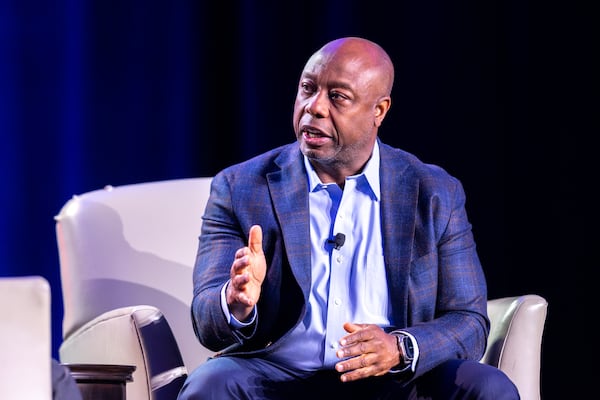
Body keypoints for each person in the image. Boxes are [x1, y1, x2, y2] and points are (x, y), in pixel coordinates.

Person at [177, 37, 520, 399]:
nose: (314, 108)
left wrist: (399, 348)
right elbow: (206, 321)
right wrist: (235, 303)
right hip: (279, 379)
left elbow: (469, 320)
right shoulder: (241, 187)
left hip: (394, 381)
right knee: (210, 385)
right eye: (308, 89)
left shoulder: (433, 191)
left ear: (379, 110)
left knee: (488, 387)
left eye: (337, 96)